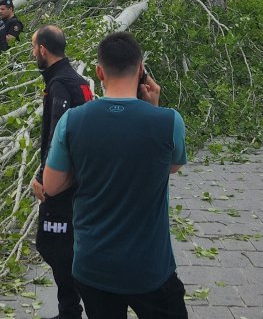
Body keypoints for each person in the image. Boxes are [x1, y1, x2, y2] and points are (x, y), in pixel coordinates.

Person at [42, 32, 188, 318]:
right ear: (141, 69)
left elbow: (51, 185)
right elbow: (171, 166)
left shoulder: (73, 120)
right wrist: (153, 109)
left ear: (99, 72)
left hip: (93, 266)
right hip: (149, 267)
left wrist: (83, 168)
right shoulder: (169, 121)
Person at [29, 26, 93, 319]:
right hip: (80, 179)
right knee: (65, 245)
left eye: (34, 48)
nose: (33, 53)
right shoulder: (77, 81)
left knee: (53, 244)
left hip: (62, 183)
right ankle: (71, 309)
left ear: (43, 49)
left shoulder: (59, 85)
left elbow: (58, 136)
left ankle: (74, 310)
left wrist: (42, 177)